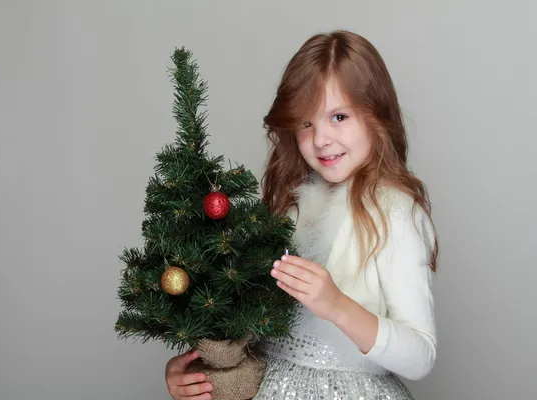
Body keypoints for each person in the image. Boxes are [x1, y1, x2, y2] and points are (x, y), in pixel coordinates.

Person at [165, 29, 439, 400]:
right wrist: (196, 374)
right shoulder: (291, 206)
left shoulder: (394, 211)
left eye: (338, 117)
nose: (321, 138)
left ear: (378, 115)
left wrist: (337, 305)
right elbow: (252, 329)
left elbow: (420, 357)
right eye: (306, 124)